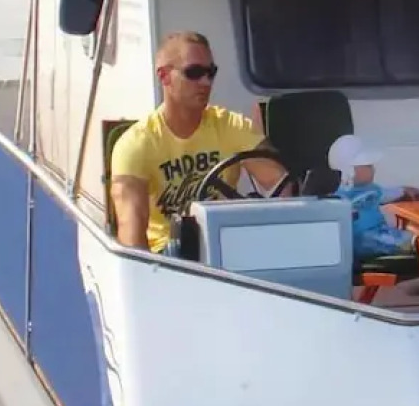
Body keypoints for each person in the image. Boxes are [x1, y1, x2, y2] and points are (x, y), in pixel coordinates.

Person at [109, 31, 292, 252]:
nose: (206, 82)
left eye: (210, 72)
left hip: (226, 247)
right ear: (164, 76)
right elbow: (132, 237)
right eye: (194, 72)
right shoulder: (135, 145)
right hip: (169, 256)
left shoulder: (231, 126)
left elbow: (280, 184)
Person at [327, 134, 419, 258]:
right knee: (370, 240)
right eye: (368, 166)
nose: (373, 170)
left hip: (380, 229)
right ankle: (412, 244)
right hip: (358, 236)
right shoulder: (339, 196)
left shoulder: (372, 188)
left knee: (394, 235)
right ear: (349, 170)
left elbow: (387, 194)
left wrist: (404, 190)